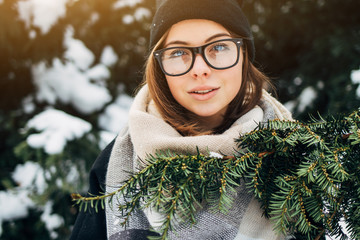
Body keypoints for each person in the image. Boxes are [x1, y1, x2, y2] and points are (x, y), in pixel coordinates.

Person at [70, 0, 293, 239]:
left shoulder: (294, 155)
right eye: (178, 52)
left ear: (243, 53)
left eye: (218, 48)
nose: (200, 69)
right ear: (160, 67)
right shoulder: (116, 162)